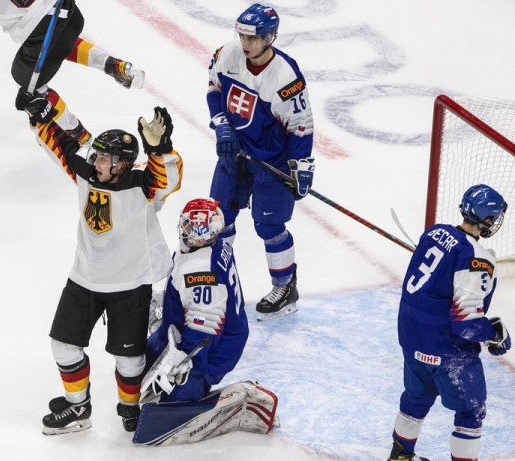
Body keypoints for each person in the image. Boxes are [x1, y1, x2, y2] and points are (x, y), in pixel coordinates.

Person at [19, 90, 182, 434]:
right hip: (84, 279)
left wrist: (159, 149)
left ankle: (129, 407)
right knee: (63, 346)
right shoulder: (86, 172)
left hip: (130, 285)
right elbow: (58, 142)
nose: (98, 162)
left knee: (129, 360)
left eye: (107, 159)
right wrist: (38, 114)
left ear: (123, 163)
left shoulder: (143, 185)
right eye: (98, 156)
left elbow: (171, 179)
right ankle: (78, 408)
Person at [132, 198, 279, 446]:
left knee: (173, 399)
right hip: (193, 329)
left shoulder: (202, 272)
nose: (193, 235)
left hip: (213, 348)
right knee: (137, 369)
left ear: (213, 230)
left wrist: (181, 364)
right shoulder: (211, 246)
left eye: (201, 230)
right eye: (189, 227)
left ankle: (235, 398)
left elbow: (204, 331)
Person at [206, 3, 315, 321]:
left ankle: (284, 287)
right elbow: (213, 90)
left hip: (272, 160)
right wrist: (222, 124)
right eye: (242, 36)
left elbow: (301, 126)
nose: (245, 43)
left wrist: (300, 166)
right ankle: (220, 286)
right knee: (218, 221)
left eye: (253, 38)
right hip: (234, 154)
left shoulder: (286, 77)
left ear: (271, 37)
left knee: (269, 226)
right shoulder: (226, 54)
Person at [388, 184, 511, 461]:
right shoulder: (477, 257)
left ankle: (399, 456)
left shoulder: (434, 232)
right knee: (471, 411)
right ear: (487, 219)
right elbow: (465, 323)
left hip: (411, 336)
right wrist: (495, 333)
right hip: (445, 348)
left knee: (415, 398)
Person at [0, 0, 144, 144]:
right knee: (57, 44)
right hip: (67, 11)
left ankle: (78, 137)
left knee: (28, 88)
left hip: (40, 27)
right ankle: (114, 66)